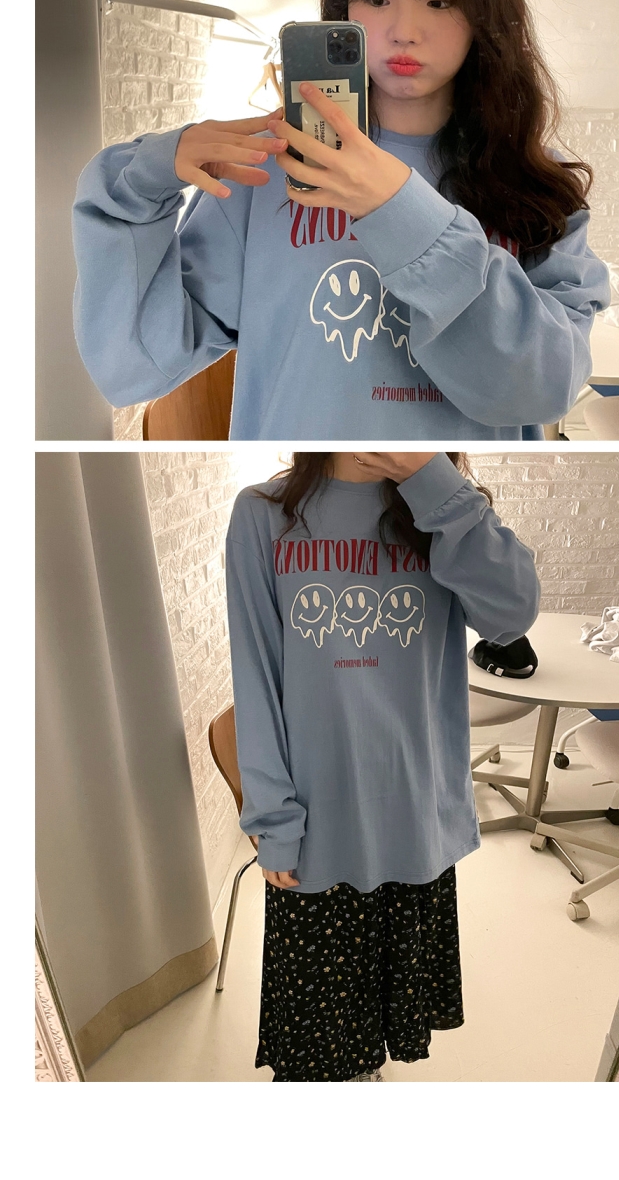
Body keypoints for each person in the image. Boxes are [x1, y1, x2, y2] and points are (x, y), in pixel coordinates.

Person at [72, 0, 609, 440]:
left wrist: (398, 208)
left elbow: (542, 387)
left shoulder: (536, 185)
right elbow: (131, 366)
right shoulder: (271, 167)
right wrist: (143, 179)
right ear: (344, 7)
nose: (404, 29)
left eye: (440, 1)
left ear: (485, 13)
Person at [226, 445, 541, 1082]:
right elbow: (254, 678)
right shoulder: (262, 514)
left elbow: (511, 618)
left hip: (412, 814)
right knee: (320, 1046)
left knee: (378, 1025)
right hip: (316, 820)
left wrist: (433, 481)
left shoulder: (443, 506)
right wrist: (273, 819)